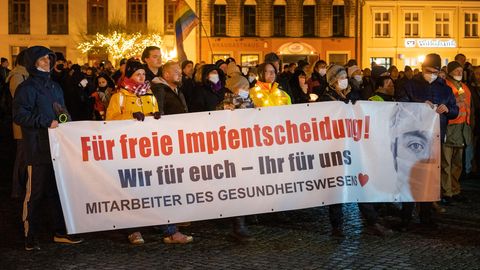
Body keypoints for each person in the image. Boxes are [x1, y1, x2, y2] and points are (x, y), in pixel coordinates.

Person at [12, 46, 84, 251]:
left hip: (57, 150)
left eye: (49, 59)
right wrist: (45, 121)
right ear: (32, 62)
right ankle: (30, 235)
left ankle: (60, 231)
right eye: (42, 59)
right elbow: (20, 115)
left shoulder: (55, 87)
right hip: (37, 149)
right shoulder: (26, 88)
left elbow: (62, 111)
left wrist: (65, 119)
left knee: (58, 191)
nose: (47, 62)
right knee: (34, 194)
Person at [398, 53, 459, 229]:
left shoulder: (445, 89)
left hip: (435, 139)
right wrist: (418, 106)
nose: (430, 74)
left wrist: (448, 109)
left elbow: (455, 111)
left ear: (439, 71)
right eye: (427, 70)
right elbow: (400, 105)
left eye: (434, 71)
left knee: (429, 178)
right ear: (422, 69)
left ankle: (426, 216)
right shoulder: (410, 85)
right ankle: (406, 217)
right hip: (412, 139)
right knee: (410, 177)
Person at [441, 61, 472, 204]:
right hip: (450, 127)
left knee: (457, 163)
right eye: (456, 70)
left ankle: (455, 189)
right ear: (450, 72)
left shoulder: (465, 87)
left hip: (462, 128)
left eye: (461, 70)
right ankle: (446, 192)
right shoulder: (445, 85)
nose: (460, 73)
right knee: (446, 162)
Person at [7, 49, 29, 199]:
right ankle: (17, 189)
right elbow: (20, 99)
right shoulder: (17, 75)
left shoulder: (26, 74)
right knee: (22, 157)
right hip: (22, 123)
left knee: (26, 156)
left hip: (30, 122)